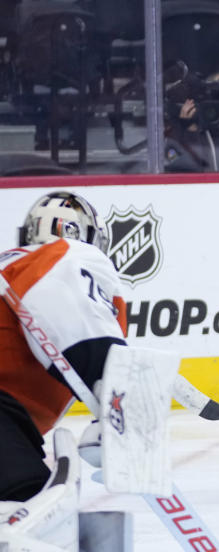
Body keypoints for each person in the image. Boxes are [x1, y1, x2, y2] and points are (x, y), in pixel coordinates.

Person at [0, 192, 176, 550]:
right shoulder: (64, 255)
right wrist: (118, 394)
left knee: (27, 497)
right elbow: (67, 308)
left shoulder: (11, 267)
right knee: (29, 513)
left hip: (8, 420)